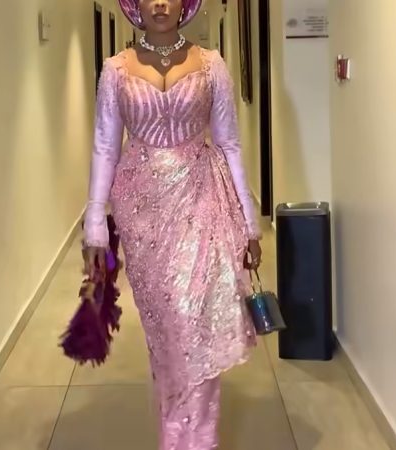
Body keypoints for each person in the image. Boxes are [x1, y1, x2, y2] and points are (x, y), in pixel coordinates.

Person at [83, 1, 263, 448]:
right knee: (168, 332)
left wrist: (249, 221)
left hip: (203, 200)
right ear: (134, 4)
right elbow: (105, 147)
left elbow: (229, 143)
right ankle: (178, 431)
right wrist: (95, 224)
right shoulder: (116, 70)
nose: (160, 3)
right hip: (142, 213)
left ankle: (195, 440)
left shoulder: (211, 65)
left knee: (195, 322)